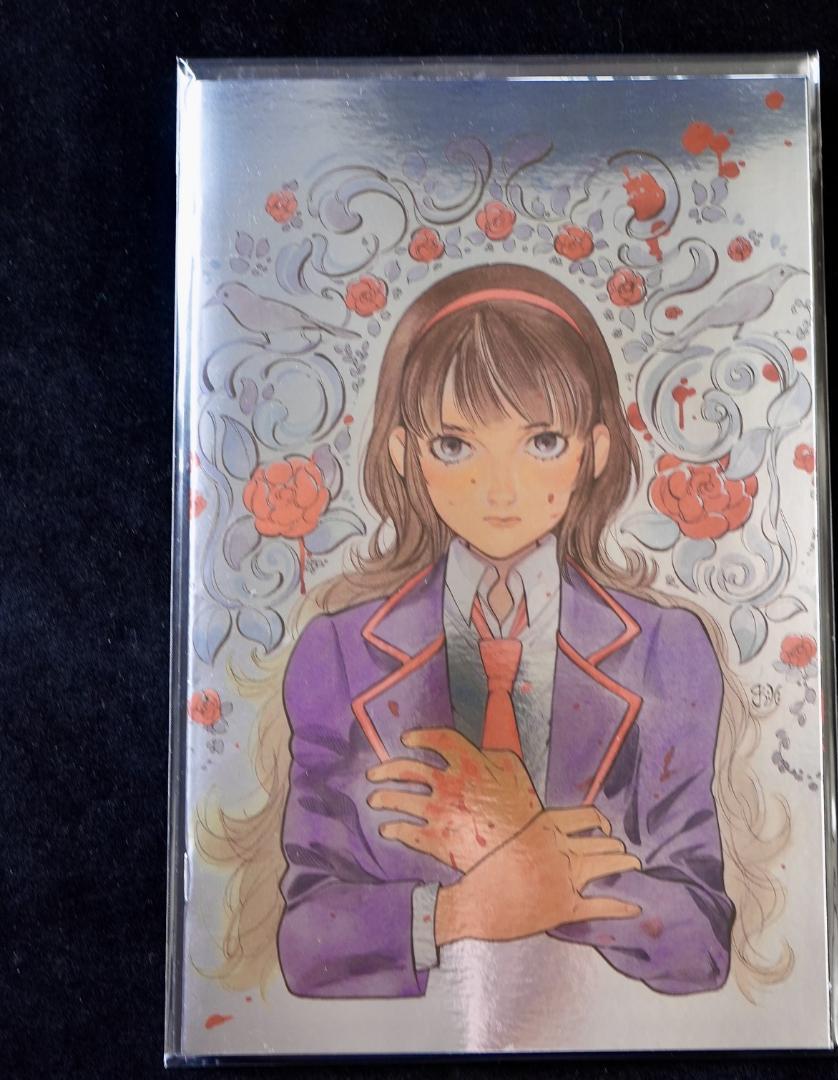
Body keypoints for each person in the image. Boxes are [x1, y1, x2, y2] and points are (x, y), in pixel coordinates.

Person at [197, 262, 791, 1004]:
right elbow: (308, 942)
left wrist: (518, 835)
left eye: (542, 441)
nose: (501, 488)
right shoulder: (339, 654)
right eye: (455, 445)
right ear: (404, 455)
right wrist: (462, 910)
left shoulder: (666, 650)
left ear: (596, 450)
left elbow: (698, 942)